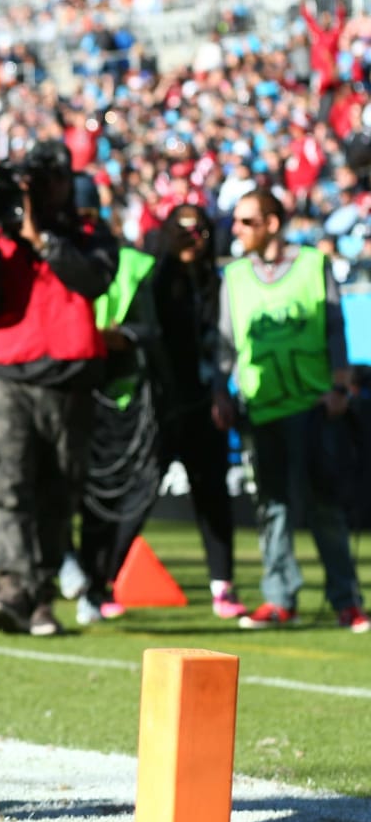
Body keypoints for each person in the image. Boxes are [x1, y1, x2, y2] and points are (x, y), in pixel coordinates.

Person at [0, 143, 117, 637]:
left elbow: (94, 282)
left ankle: (39, 597)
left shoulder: (89, 234)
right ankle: (12, 588)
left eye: (49, 182)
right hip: (7, 380)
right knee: (4, 486)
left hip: (70, 381)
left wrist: (44, 240)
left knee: (57, 493)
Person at [214, 190, 368, 632]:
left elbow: (335, 328)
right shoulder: (236, 276)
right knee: (272, 509)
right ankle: (280, 599)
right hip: (261, 410)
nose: (237, 230)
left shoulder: (312, 265)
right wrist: (219, 393)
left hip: (314, 407)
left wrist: (341, 385)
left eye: (246, 222)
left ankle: (346, 602)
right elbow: (225, 343)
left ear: (273, 223)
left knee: (325, 507)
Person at [66, 176, 166, 625]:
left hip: (120, 396)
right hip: (68, 391)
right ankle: (70, 578)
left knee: (116, 500)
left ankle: (96, 582)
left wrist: (117, 337)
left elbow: (152, 329)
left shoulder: (136, 265)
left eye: (87, 215)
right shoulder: (54, 257)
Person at [149, 204, 247, 619]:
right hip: (160, 407)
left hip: (205, 406)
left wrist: (221, 391)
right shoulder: (156, 282)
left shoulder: (217, 283)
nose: (193, 239)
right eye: (183, 231)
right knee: (138, 492)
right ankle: (99, 585)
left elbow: (224, 346)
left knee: (214, 498)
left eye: (200, 231)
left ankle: (223, 586)